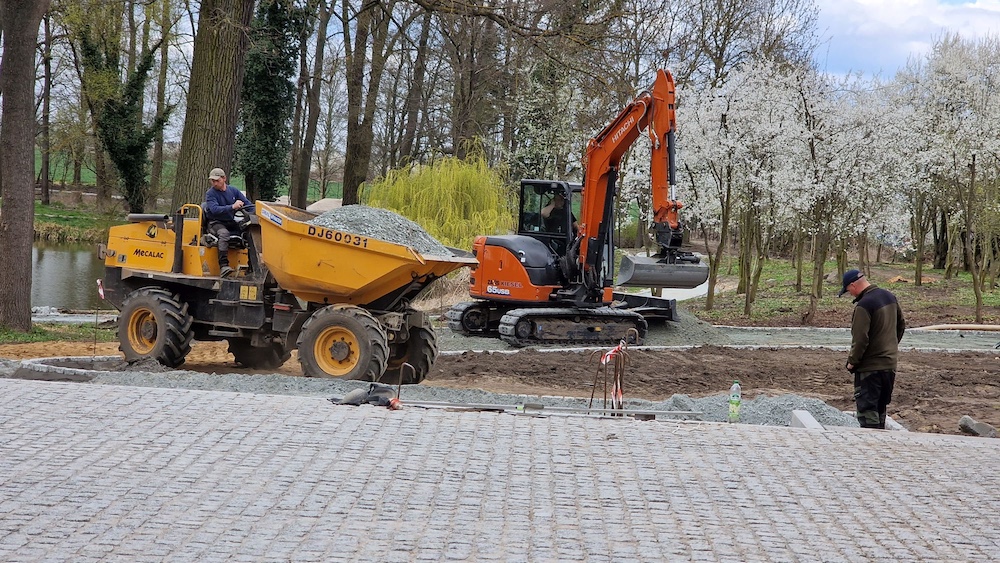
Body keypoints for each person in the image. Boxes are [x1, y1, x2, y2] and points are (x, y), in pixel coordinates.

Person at [839, 269, 906, 429]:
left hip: (870, 369)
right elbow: (901, 325)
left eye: (848, 290)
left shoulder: (864, 305)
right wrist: (890, 347)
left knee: (868, 413)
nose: (850, 294)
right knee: (880, 409)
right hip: (889, 366)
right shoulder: (889, 297)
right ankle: (881, 446)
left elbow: (860, 339)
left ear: (853, 285)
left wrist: (852, 362)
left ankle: (871, 448)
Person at [204, 167, 252, 278]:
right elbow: (215, 210)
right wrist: (232, 206)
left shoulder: (234, 191)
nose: (215, 183)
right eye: (213, 181)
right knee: (224, 234)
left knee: (249, 232)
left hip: (230, 221)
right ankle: (224, 266)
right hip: (215, 222)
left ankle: (251, 266)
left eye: (217, 180)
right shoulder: (210, 194)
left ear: (224, 178)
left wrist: (256, 213)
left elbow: (248, 205)